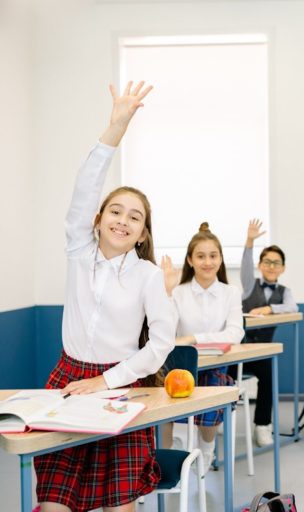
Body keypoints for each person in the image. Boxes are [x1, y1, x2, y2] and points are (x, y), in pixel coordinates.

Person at [34, 81, 175, 512]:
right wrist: (116, 127)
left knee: (120, 506)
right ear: (97, 220)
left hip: (121, 386)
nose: (123, 220)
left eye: (135, 217)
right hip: (69, 381)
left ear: (143, 233)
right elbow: (85, 185)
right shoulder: (79, 252)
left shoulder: (148, 276)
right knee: (55, 501)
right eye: (115, 211)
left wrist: (106, 380)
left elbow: (161, 344)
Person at [160, 222, 245, 470]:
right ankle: (165, 459)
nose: (207, 262)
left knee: (212, 397)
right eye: (200, 256)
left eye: (213, 256)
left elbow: (235, 333)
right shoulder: (177, 292)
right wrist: (166, 292)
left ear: (220, 259)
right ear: (190, 260)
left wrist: (192, 338)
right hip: (179, 370)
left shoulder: (231, 292)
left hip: (215, 367)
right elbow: (164, 332)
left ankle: (207, 448)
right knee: (160, 399)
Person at [232, 219, 299, 447]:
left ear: (283, 268)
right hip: (239, 349)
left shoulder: (285, 292)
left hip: (262, 352)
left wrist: (270, 309)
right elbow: (245, 266)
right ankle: (219, 421)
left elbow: (293, 308)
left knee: (269, 378)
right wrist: (249, 242)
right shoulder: (250, 286)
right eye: (267, 262)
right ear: (260, 265)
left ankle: (262, 426)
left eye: (276, 263)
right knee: (224, 376)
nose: (271, 266)